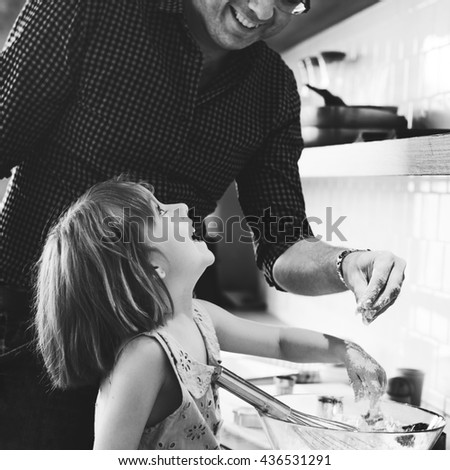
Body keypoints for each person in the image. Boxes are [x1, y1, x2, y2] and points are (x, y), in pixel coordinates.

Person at [0, 0, 405, 448]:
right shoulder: (87, 9)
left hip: (150, 321)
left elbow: (283, 239)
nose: (262, 9)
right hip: (27, 343)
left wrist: (347, 262)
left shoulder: (271, 89)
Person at [34, 178, 387, 450]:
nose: (183, 206)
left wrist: (345, 350)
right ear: (153, 265)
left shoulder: (201, 317)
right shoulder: (144, 357)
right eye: (160, 211)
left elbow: (279, 343)